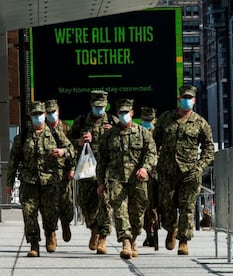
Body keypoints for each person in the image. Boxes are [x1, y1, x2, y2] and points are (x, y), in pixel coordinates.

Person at [6, 101, 75, 257]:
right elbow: (13, 161)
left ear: (45, 115)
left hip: (49, 182)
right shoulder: (22, 137)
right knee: (29, 214)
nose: (38, 117)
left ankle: (50, 233)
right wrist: (9, 183)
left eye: (40, 114)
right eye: (35, 115)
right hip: (28, 182)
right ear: (30, 117)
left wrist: (63, 152)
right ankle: (34, 244)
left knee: (49, 213)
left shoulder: (56, 134)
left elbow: (71, 150)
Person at [153, 85, 214, 255]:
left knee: (187, 208)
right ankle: (171, 228)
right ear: (179, 99)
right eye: (184, 97)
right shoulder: (166, 119)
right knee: (166, 207)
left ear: (194, 100)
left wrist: (200, 166)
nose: (187, 100)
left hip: (189, 174)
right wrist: (155, 163)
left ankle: (183, 240)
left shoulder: (201, 123)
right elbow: (153, 143)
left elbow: (209, 149)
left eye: (190, 97)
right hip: (167, 172)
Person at [97, 99, 157, 259]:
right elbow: (102, 160)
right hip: (116, 179)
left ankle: (134, 238)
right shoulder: (109, 135)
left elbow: (151, 153)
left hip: (138, 180)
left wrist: (145, 168)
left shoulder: (142, 133)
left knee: (137, 215)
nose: (124, 115)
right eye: (120, 113)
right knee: (120, 212)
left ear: (132, 113)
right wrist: (101, 182)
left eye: (126, 112)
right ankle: (126, 243)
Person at [67, 90, 118, 254]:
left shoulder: (113, 121)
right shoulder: (81, 121)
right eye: (96, 106)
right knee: (87, 206)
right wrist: (80, 141)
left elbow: (124, 143)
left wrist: (113, 134)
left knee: (106, 204)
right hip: (87, 171)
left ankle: (103, 237)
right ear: (91, 104)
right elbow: (67, 143)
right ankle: (94, 229)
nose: (99, 109)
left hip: (107, 171)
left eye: (102, 106)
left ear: (107, 104)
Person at [45, 99, 75, 243]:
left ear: (58, 112)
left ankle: (65, 224)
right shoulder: (41, 129)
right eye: (49, 112)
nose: (51, 115)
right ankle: (51, 233)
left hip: (63, 173)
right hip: (47, 174)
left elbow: (74, 149)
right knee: (49, 206)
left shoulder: (66, 129)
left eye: (53, 112)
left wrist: (72, 168)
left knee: (67, 203)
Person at [140, 107, 159, 248]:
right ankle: (149, 233)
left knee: (156, 206)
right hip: (142, 174)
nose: (147, 123)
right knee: (146, 206)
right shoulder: (138, 132)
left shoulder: (159, 133)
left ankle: (155, 230)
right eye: (145, 120)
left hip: (157, 174)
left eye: (150, 120)